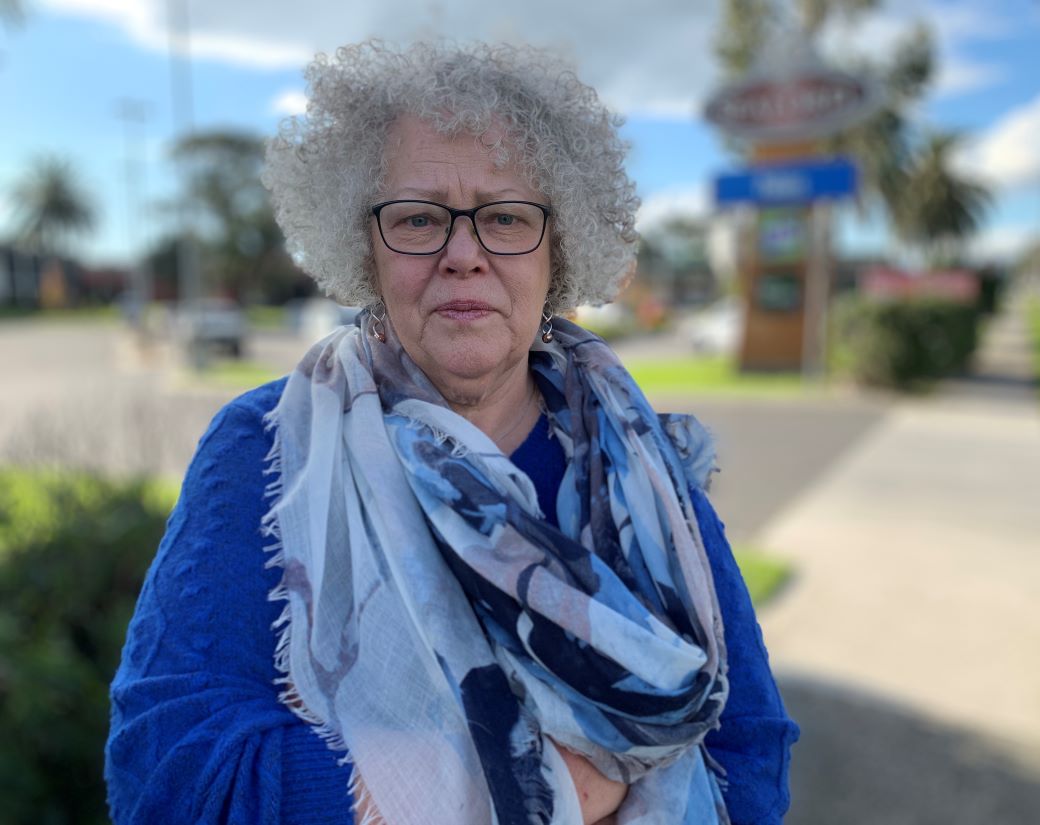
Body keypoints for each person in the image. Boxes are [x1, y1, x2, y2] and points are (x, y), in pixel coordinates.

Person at [105, 42, 798, 825]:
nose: (462, 253)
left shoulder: (644, 470)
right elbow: (170, 775)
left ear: (557, 248)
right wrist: (560, 783)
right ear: (364, 248)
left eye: (505, 217)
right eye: (418, 218)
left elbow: (751, 752)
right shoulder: (267, 446)